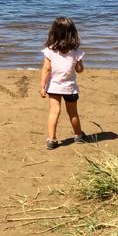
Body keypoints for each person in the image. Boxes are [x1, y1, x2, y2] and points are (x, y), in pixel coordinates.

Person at [40, 17, 86, 150]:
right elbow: (80, 70)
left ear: (53, 33)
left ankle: (51, 139)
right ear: (73, 34)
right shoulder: (76, 52)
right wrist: (78, 65)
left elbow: (46, 70)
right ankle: (78, 135)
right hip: (70, 88)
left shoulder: (50, 51)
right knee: (73, 113)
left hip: (53, 86)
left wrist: (42, 86)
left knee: (54, 111)